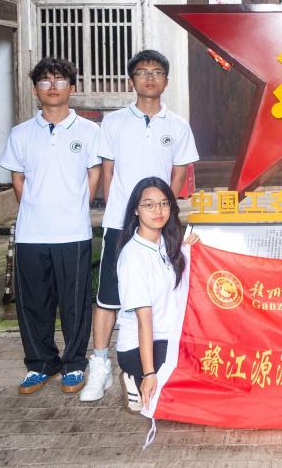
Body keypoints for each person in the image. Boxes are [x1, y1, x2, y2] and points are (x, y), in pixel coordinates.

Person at [80, 50, 199, 402]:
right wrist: (116, 213)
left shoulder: (177, 125)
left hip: (160, 224)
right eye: (143, 72)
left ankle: (156, 360)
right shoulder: (114, 122)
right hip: (121, 223)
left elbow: (178, 173)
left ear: (166, 80)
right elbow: (108, 171)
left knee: (163, 290)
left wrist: (164, 214)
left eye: (157, 72)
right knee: (108, 296)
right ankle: (99, 365)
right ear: (131, 79)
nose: (150, 78)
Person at [0, 58, 101, 395]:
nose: (53, 86)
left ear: (73, 87)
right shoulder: (21, 134)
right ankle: (40, 364)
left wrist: (76, 207)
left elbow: (94, 174)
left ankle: (74, 364)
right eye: (45, 80)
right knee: (33, 303)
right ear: (35, 90)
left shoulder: (89, 132)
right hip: (32, 233)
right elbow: (17, 178)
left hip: (73, 232)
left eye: (60, 80)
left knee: (75, 302)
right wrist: (35, 207)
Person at [114, 177, 196, 412]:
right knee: (193, 387)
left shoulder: (169, 245)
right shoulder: (133, 257)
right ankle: (135, 376)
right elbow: (144, 321)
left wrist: (192, 249)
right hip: (140, 349)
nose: (158, 211)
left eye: (164, 204)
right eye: (149, 205)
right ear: (136, 210)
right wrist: (149, 373)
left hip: (171, 336)